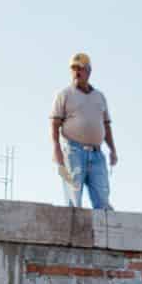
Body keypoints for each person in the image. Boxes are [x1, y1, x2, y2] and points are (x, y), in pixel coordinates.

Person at [50, 52, 118, 210]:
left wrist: (113, 150)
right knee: (73, 200)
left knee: (103, 201)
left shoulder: (99, 97)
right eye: (73, 69)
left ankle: (102, 233)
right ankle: (72, 233)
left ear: (88, 71)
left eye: (80, 68)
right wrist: (56, 149)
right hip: (73, 152)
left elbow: (106, 126)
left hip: (97, 154)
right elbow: (54, 124)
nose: (76, 72)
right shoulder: (64, 95)